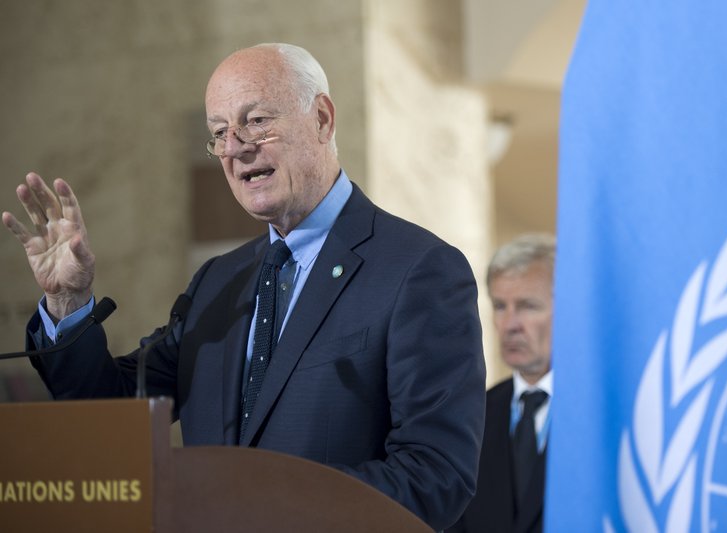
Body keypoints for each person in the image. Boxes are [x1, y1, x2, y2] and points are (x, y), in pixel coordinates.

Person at [2, 43, 486, 531]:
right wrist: (67, 302)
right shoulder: (217, 283)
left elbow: (436, 477)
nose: (235, 149)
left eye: (256, 121)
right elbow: (111, 412)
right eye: (219, 134)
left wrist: (264, 504)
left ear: (321, 119)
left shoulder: (418, 269)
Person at [448, 233, 555, 533]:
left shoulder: (607, 414)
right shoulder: (472, 414)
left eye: (528, 306)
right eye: (499, 306)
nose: (509, 324)